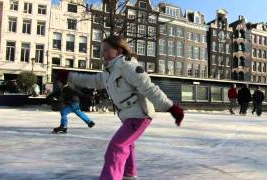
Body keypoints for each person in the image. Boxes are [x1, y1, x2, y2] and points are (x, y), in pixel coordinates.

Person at [66, 35, 184, 180]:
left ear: (119, 50)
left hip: (140, 115)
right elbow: (92, 80)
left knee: (117, 146)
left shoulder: (128, 66)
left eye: (107, 50)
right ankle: (128, 174)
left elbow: (149, 88)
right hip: (128, 115)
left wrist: (171, 108)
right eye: (101, 51)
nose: (103, 54)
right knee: (127, 145)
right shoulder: (109, 71)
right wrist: (69, 76)